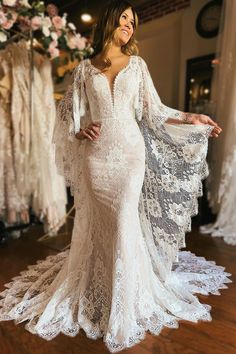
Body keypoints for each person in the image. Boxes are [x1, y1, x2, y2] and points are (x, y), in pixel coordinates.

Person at [0, 1, 231, 353]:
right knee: (103, 224)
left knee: (124, 220)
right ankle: (101, 285)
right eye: (124, 18)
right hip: (96, 158)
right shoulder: (81, 70)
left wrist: (192, 118)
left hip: (129, 155)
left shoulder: (137, 65)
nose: (128, 25)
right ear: (109, 21)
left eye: (133, 21)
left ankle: (123, 301)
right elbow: (66, 119)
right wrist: (80, 132)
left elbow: (155, 113)